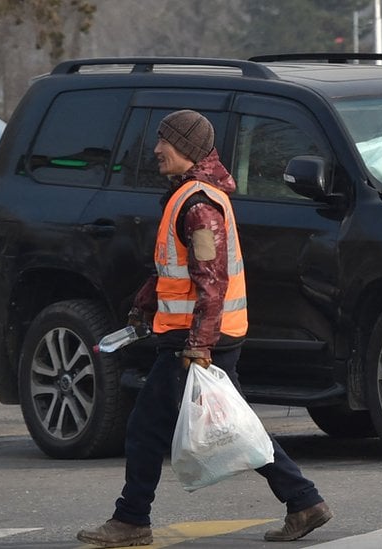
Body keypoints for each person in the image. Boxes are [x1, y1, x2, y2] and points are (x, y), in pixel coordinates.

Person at [76, 110, 332, 547]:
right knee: (234, 424)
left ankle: (132, 520)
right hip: (196, 333)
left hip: (194, 337)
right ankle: (302, 500)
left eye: (165, 142)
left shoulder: (198, 206)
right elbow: (178, 271)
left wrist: (199, 344)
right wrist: (144, 303)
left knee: (145, 427)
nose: (157, 149)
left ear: (188, 149)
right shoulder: (188, 198)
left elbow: (211, 280)